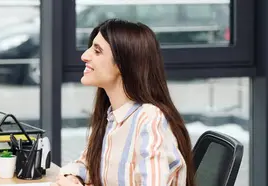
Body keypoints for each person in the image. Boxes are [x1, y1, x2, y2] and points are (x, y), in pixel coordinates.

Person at [53, 19, 196, 186]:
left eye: (97, 51)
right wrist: (73, 178)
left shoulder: (148, 120)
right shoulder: (112, 117)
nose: (84, 56)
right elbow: (86, 164)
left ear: (122, 64)